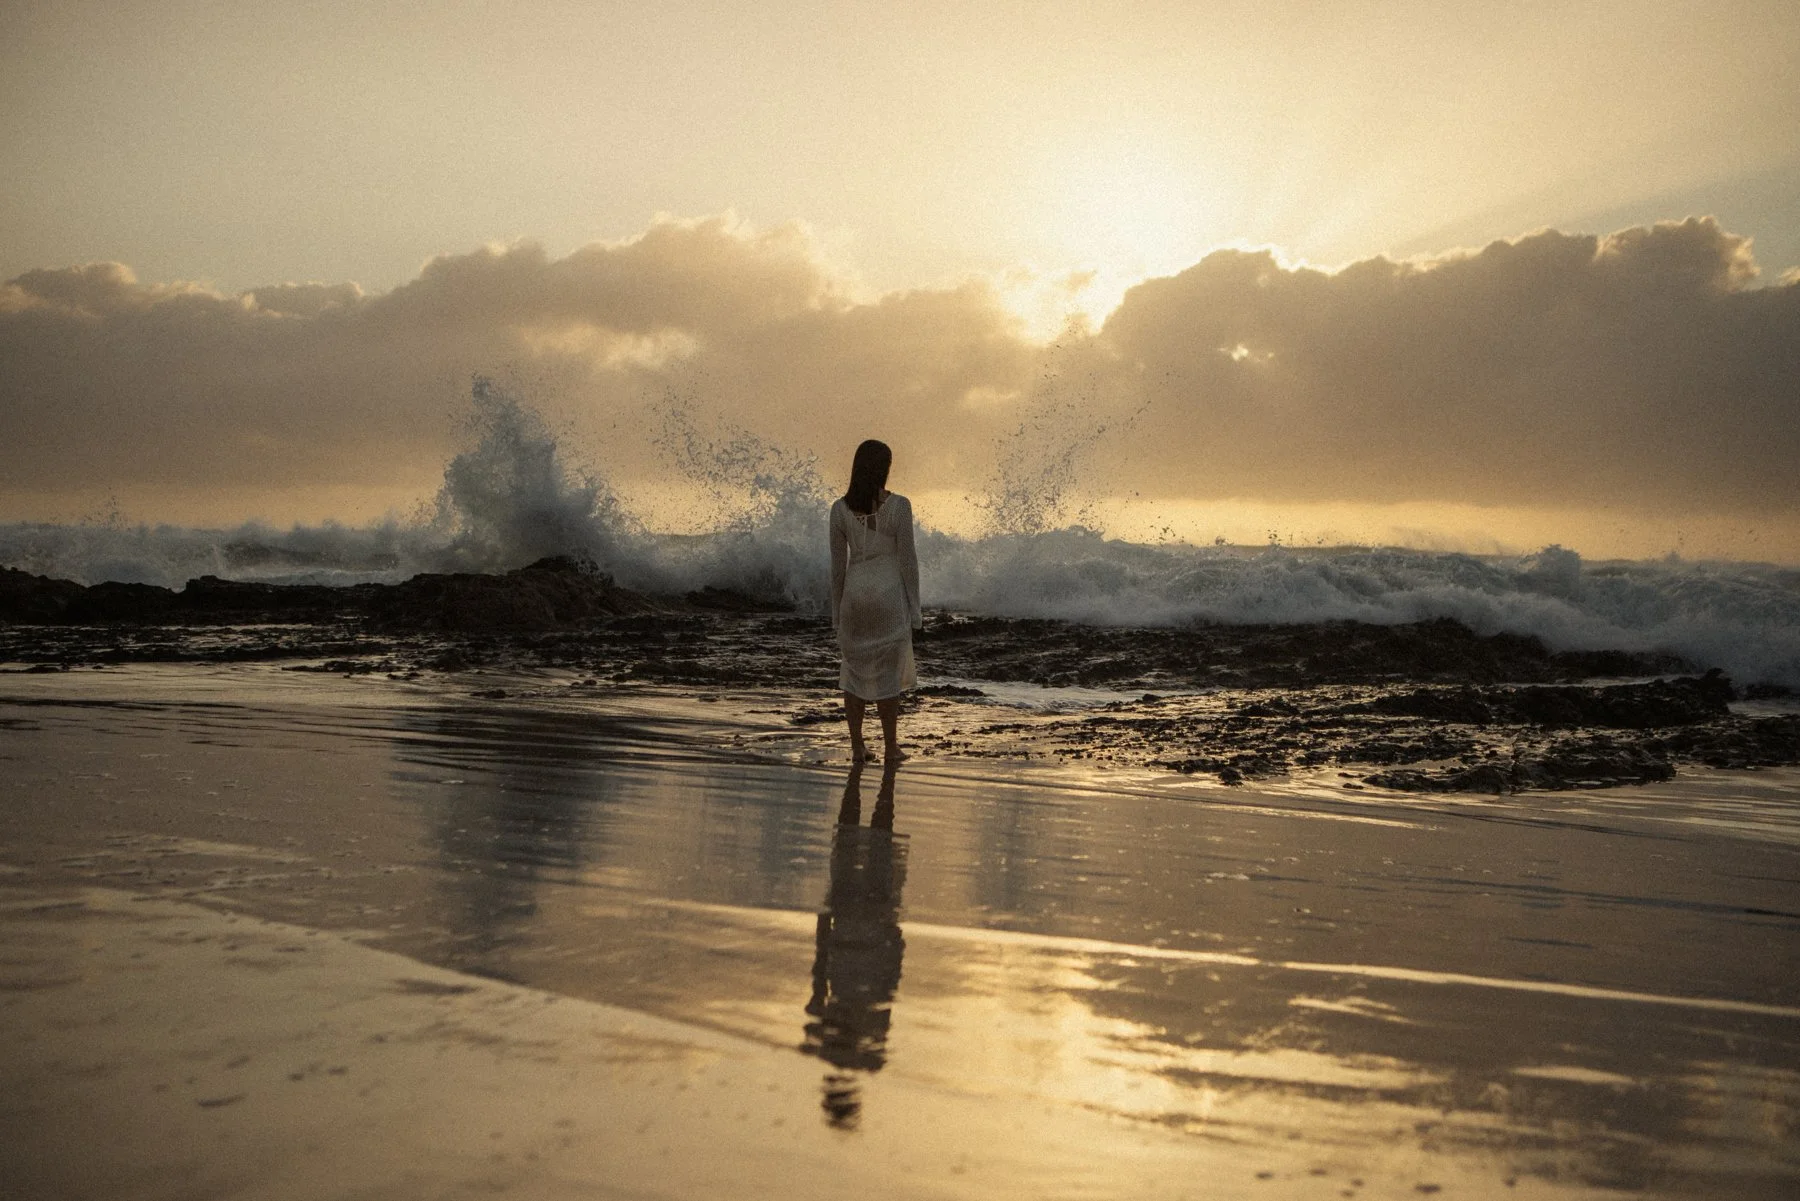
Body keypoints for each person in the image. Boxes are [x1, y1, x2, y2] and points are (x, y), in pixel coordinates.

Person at [829, 439, 920, 764]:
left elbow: (838, 569)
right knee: (888, 675)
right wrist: (916, 608)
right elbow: (908, 561)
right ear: (883, 469)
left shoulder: (839, 510)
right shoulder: (899, 506)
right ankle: (891, 746)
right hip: (888, 598)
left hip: (854, 598)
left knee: (853, 671)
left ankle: (857, 747)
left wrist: (837, 613)